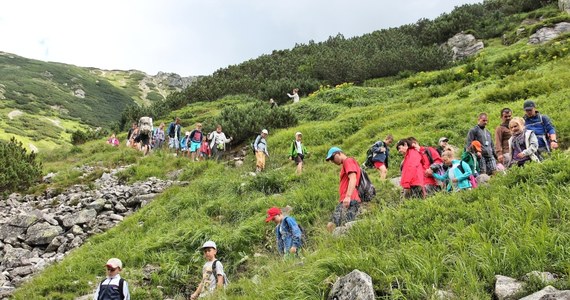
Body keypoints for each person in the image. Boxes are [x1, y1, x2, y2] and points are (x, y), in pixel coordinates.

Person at [325, 147, 361, 233]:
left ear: (339, 153)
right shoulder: (346, 163)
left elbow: (353, 178)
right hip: (348, 200)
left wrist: (348, 196)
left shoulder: (348, 161)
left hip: (350, 200)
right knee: (343, 226)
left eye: (332, 158)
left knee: (333, 225)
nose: (332, 161)